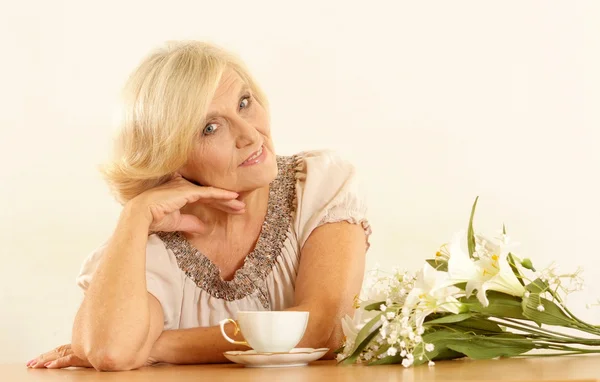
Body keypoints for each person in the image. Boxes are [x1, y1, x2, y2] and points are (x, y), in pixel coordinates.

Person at [27, 41, 371, 371]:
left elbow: (326, 330)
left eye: (244, 102)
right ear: (171, 158)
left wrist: (157, 345)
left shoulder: (319, 185)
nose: (249, 134)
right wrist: (135, 215)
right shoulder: (153, 249)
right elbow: (112, 352)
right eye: (210, 128)